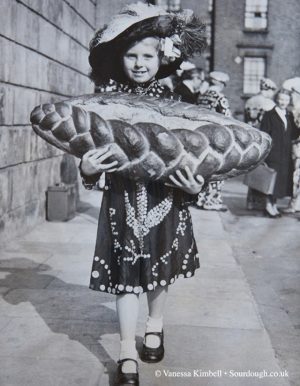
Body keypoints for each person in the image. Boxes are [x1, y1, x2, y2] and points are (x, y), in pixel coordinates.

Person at [80, 3, 206, 385]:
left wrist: (196, 186)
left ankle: (155, 323)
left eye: (147, 55)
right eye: (131, 55)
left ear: (160, 57)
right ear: (119, 60)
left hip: (166, 196)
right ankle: (125, 350)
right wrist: (87, 170)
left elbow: (200, 154)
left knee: (159, 266)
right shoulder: (104, 104)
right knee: (125, 271)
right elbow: (85, 149)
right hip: (120, 199)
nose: (138, 63)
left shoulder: (179, 102)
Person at [260, 89, 299, 218]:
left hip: (285, 154)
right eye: (281, 99)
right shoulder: (269, 115)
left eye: (286, 100)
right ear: (277, 99)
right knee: (271, 180)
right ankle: (267, 206)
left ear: (289, 101)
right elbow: (264, 134)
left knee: (280, 182)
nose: (283, 102)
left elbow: (293, 134)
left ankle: (273, 205)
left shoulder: (289, 115)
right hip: (273, 153)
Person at [196, 71, 231, 211]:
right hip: (217, 138)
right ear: (221, 84)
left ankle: (201, 198)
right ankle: (212, 201)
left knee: (204, 168)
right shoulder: (220, 97)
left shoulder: (202, 96)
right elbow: (227, 118)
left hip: (202, 136)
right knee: (217, 169)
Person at [244, 78, 277, 211]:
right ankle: (263, 202)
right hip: (264, 138)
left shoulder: (250, 101)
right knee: (265, 170)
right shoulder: (269, 103)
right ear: (269, 89)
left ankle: (251, 202)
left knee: (254, 169)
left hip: (251, 138)